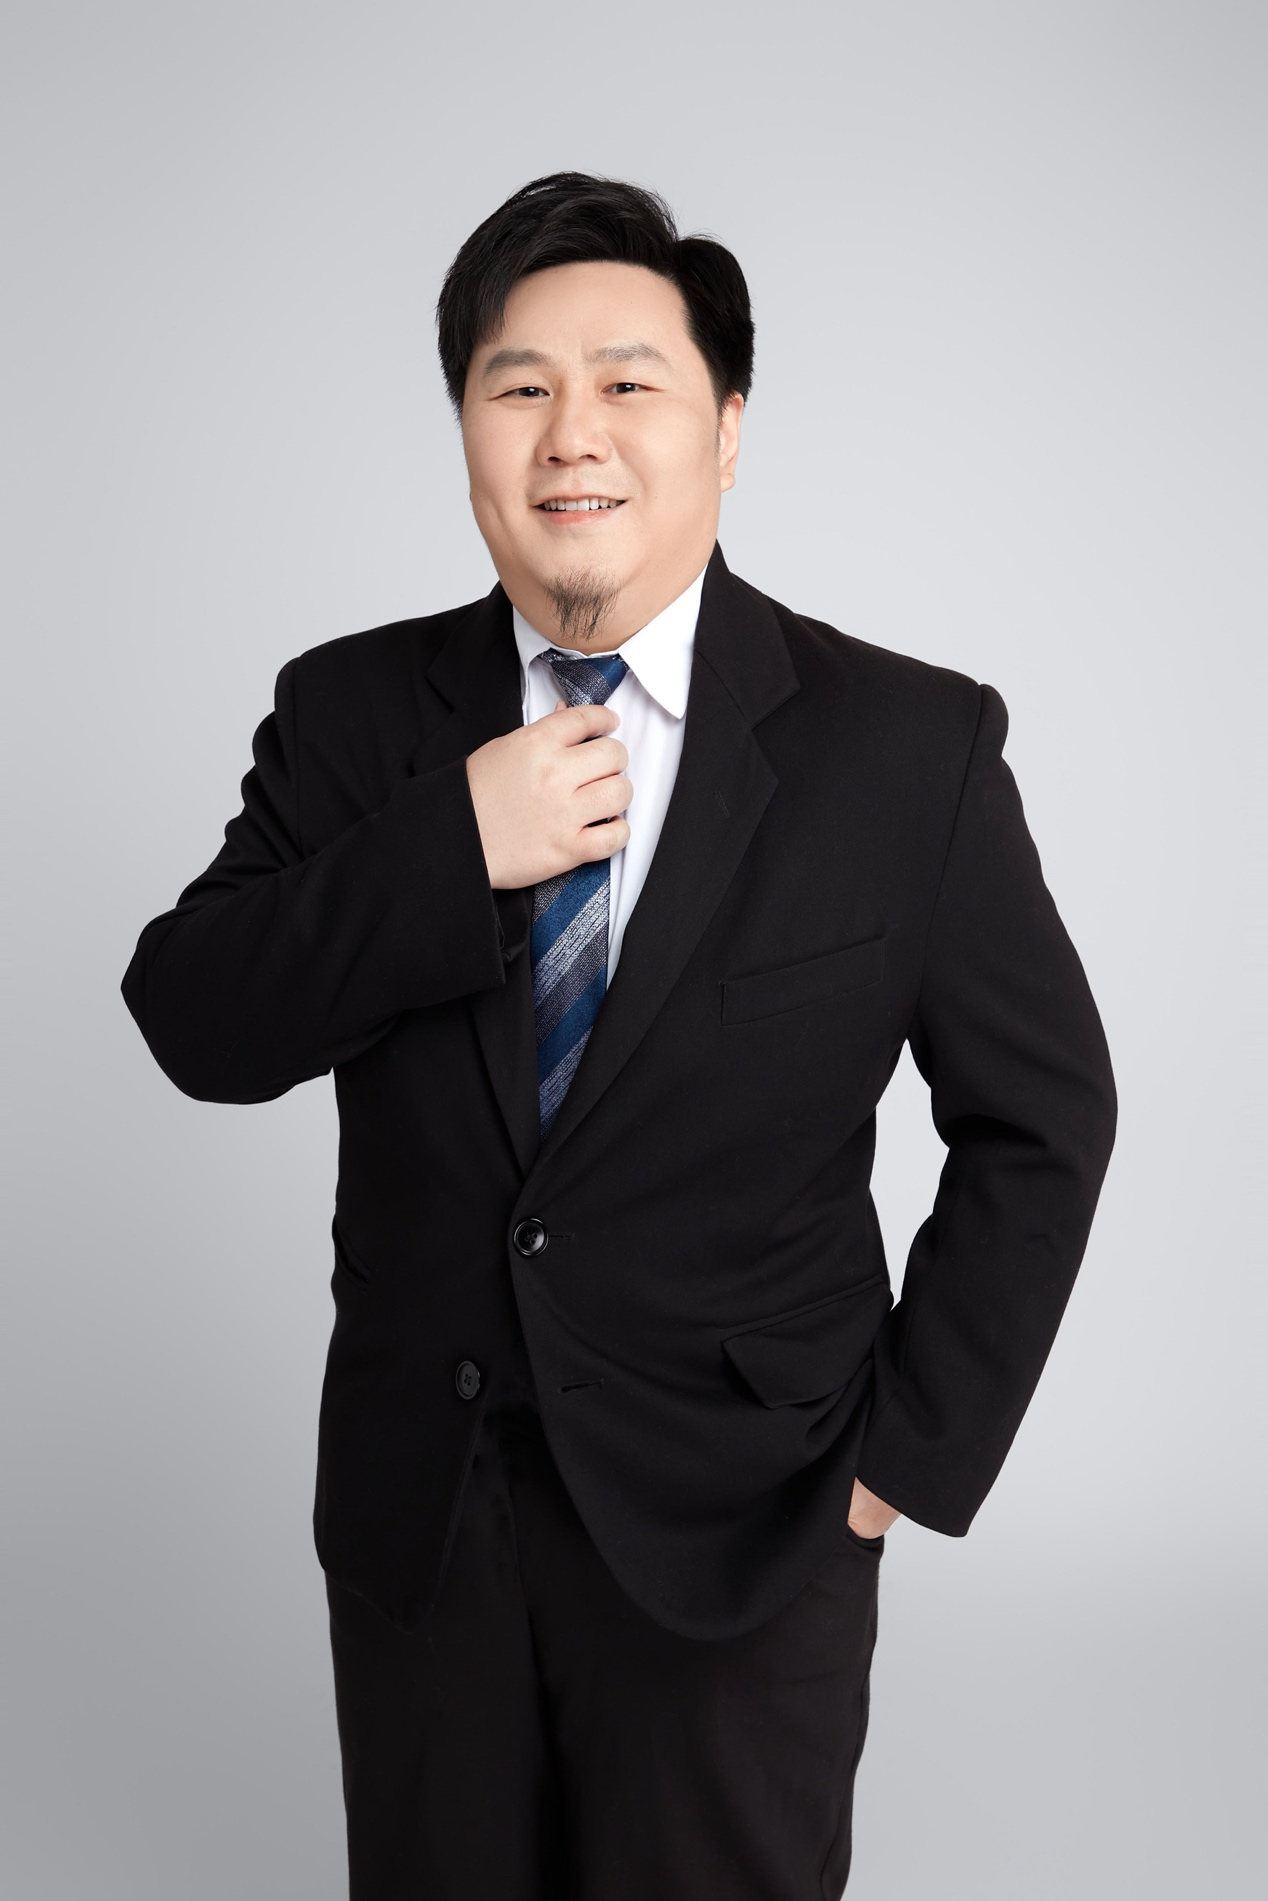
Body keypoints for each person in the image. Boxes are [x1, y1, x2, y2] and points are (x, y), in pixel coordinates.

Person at [122, 172, 1116, 1900]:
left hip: (756, 1525)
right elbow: (196, 1018)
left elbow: (1047, 1117)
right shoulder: (353, 714)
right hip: (427, 1524)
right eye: (518, 385)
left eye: (628, 383)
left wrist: (899, 1467)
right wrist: (447, 848)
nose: (569, 431)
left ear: (726, 432)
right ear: (465, 430)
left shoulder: (908, 748)